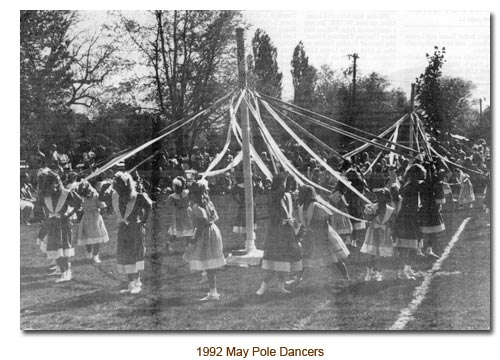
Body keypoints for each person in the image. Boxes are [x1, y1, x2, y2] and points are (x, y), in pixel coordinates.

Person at [100, 172, 152, 294]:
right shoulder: (115, 196)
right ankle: (132, 282)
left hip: (135, 229)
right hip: (123, 229)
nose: (117, 188)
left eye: (119, 186)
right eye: (116, 186)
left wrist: (143, 220)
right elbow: (101, 199)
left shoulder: (138, 196)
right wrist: (103, 189)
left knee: (134, 254)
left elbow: (149, 205)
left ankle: (136, 282)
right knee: (125, 254)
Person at [256, 172, 302, 295]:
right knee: (274, 259)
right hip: (276, 232)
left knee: (285, 261)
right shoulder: (273, 194)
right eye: (284, 182)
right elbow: (279, 194)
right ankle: (263, 287)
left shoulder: (287, 195)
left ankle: (281, 286)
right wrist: (284, 178)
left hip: (286, 231)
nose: (286, 185)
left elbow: (289, 209)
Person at [296, 185, 350, 284]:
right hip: (310, 235)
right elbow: (304, 223)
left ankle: (345, 277)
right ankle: (298, 278)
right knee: (305, 257)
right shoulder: (301, 208)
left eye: (301, 193)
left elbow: (328, 217)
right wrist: (299, 235)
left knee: (334, 257)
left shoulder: (316, 206)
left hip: (323, 234)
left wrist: (324, 234)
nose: (299, 195)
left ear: (308, 195)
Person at [36, 171, 82, 282]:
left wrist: (68, 215)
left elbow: (79, 203)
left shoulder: (66, 193)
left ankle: (66, 273)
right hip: (51, 224)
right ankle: (61, 269)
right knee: (55, 248)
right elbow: (40, 205)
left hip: (63, 224)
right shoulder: (45, 194)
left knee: (62, 248)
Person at [184, 180, 226, 301]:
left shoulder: (197, 207)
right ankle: (211, 288)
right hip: (213, 230)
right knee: (209, 260)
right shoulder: (208, 203)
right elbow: (214, 217)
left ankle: (213, 292)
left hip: (205, 233)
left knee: (208, 260)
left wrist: (194, 238)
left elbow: (201, 223)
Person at [393, 164, 425, 280]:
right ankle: (401, 271)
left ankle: (406, 268)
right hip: (409, 217)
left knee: (412, 245)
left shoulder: (407, 185)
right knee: (408, 245)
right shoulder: (413, 186)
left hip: (407, 216)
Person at [360, 189, 395, 282]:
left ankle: (379, 273)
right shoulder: (372, 207)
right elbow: (368, 219)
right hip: (373, 232)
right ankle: (369, 272)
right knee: (371, 254)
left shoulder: (390, 210)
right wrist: (375, 212)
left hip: (384, 233)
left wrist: (392, 234)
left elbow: (391, 222)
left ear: (387, 198)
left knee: (381, 254)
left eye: (383, 197)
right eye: (378, 197)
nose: (380, 199)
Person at [76, 181, 109, 264]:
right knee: (88, 236)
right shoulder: (82, 197)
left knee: (96, 236)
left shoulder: (95, 195)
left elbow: (102, 205)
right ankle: (89, 253)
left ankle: (95, 255)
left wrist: (100, 209)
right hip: (87, 217)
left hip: (95, 217)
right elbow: (79, 206)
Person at [419, 163, 445, 259]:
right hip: (427, 208)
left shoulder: (431, 181)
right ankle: (423, 249)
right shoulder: (426, 182)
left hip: (428, 208)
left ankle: (425, 249)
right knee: (426, 230)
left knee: (429, 230)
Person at [166, 176, 194, 254]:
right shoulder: (187, 193)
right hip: (186, 214)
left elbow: (168, 205)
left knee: (176, 232)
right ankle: (187, 248)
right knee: (188, 231)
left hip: (178, 214)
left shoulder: (172, 197)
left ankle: (168, 244)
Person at [328, 182, 354, 247]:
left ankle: (345, 244)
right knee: (342, 229)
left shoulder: (338, 194)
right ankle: (344, 245)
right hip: (339, 214)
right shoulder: (338, 194)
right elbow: (339, 205)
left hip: (340, 213)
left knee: (342, 230)